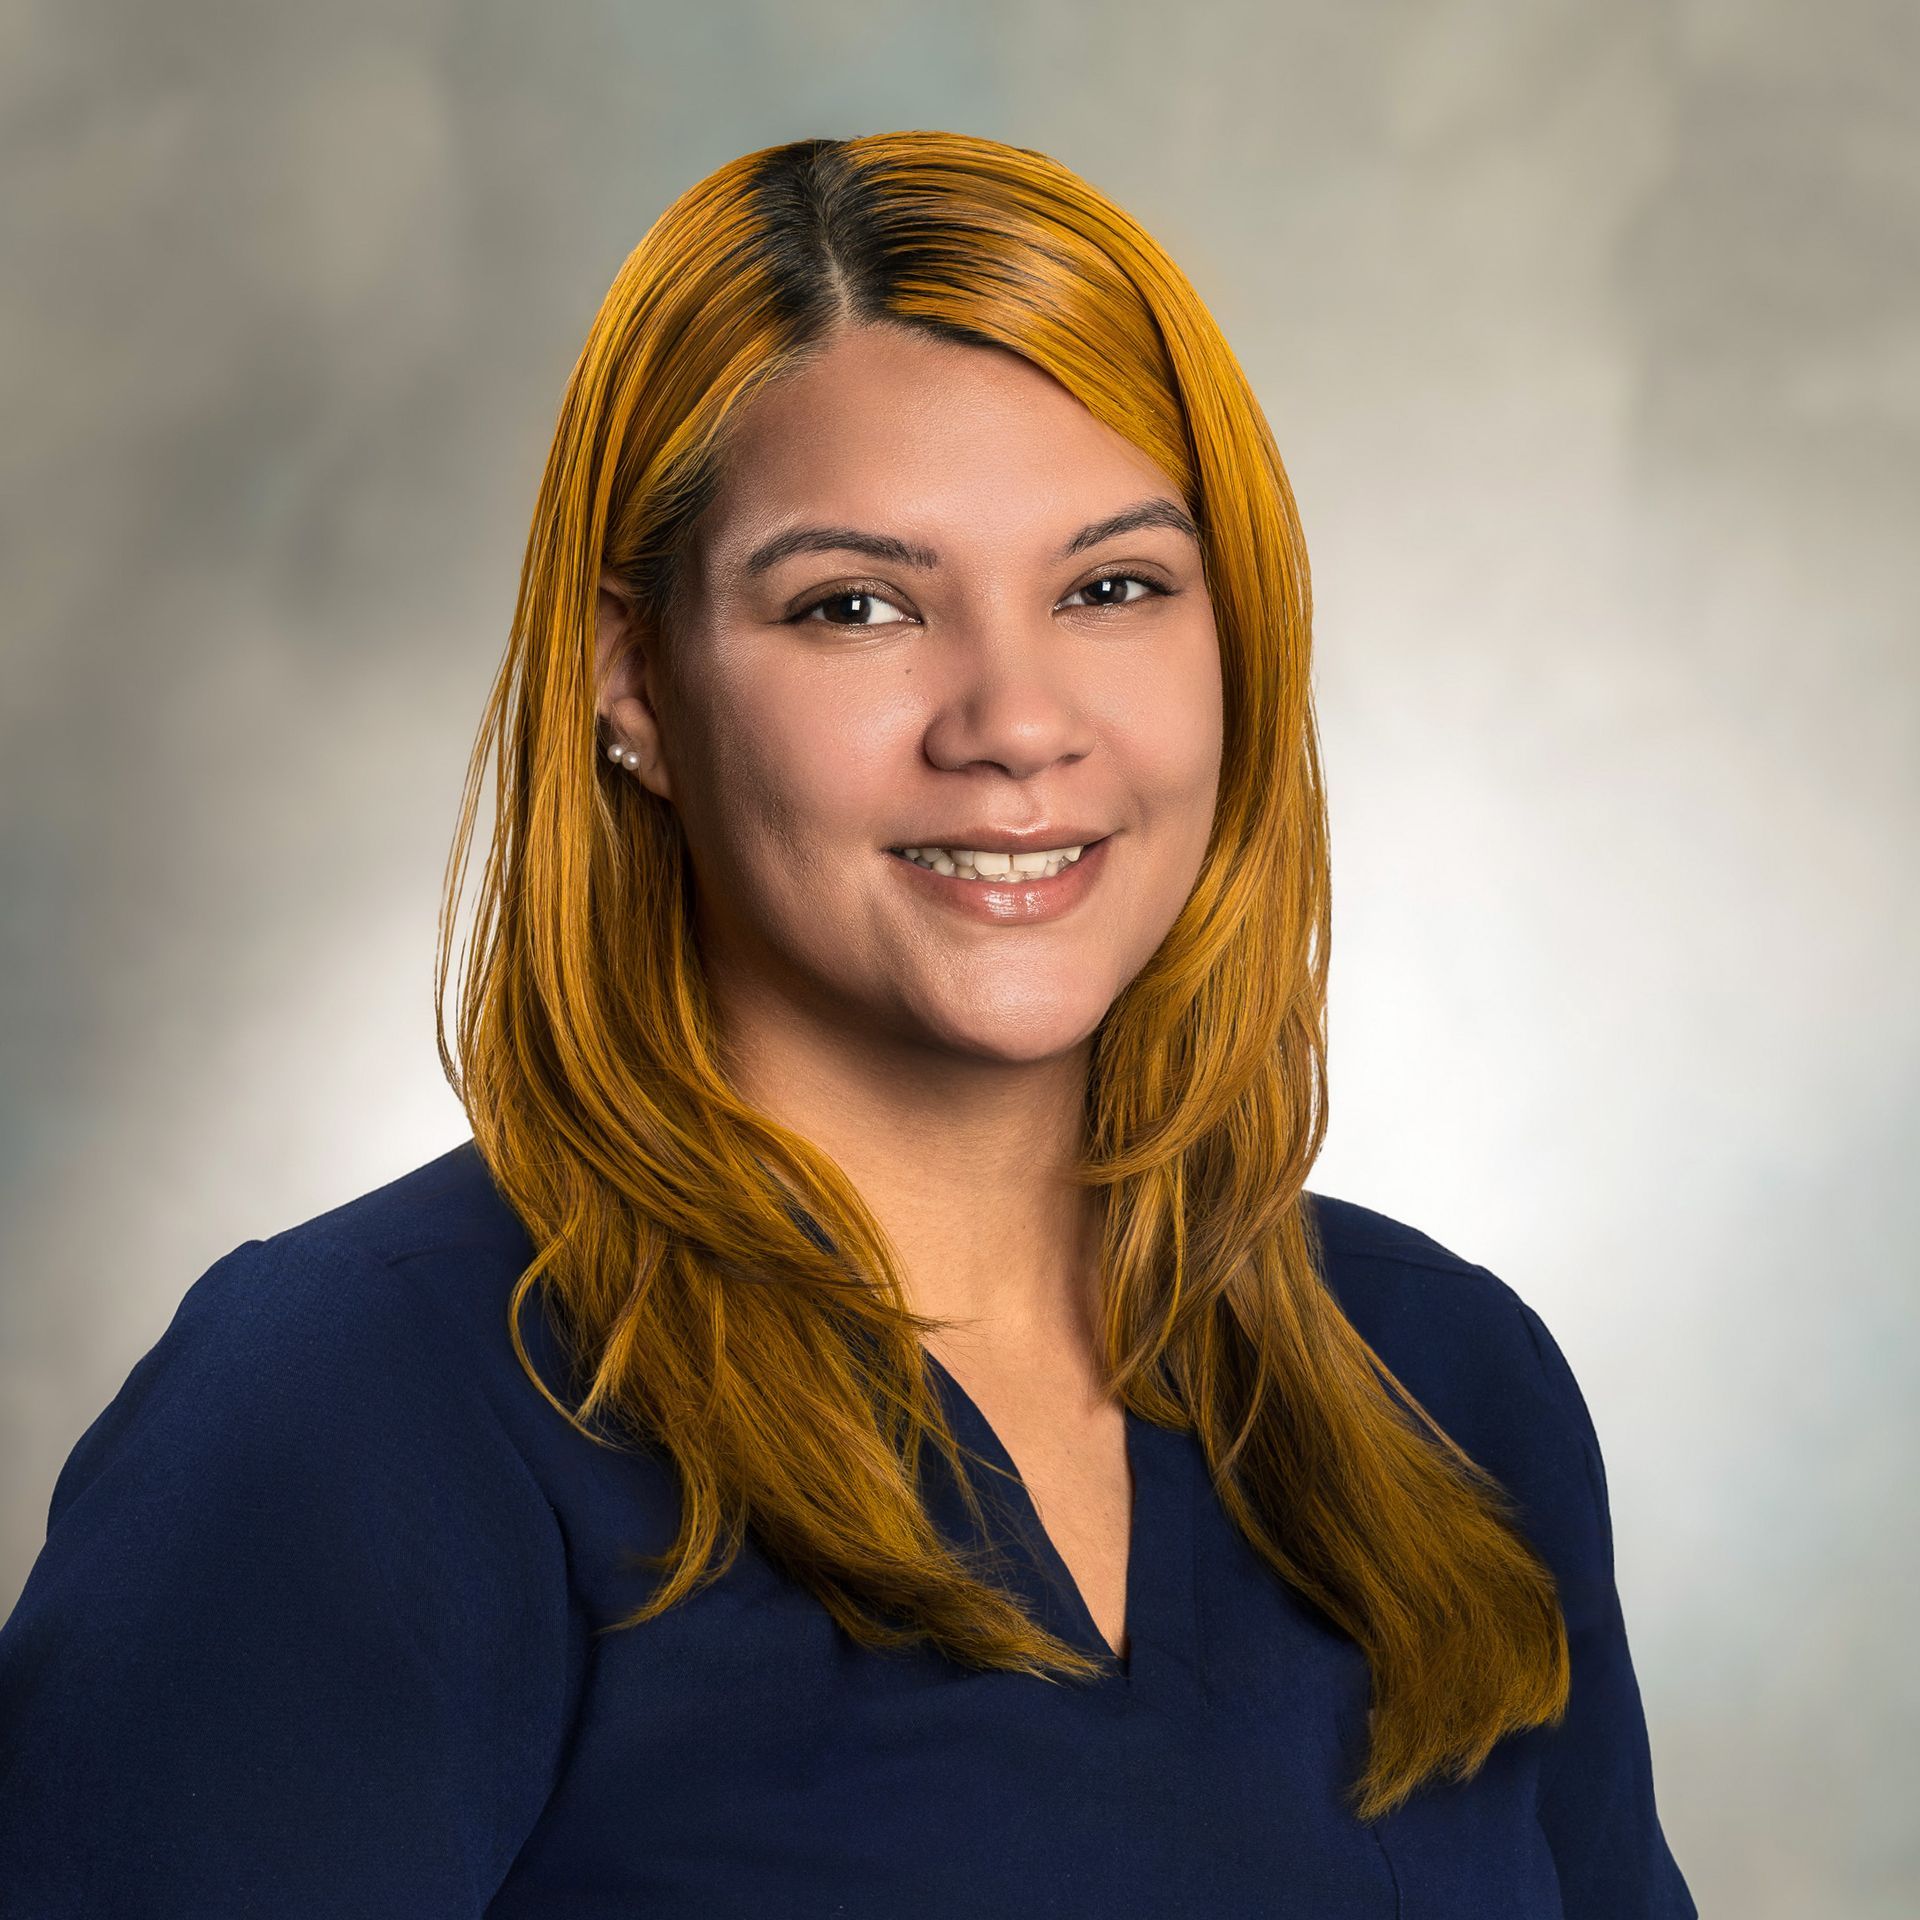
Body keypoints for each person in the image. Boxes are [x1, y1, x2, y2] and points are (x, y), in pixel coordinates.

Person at [0, 131, 1696, 1917]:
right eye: (857, 606)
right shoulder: (364, 1411)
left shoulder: (1444, 1385)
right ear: (633, 681)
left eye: (1112, 586)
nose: (1015, 723)